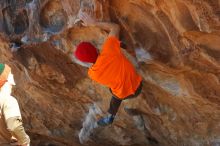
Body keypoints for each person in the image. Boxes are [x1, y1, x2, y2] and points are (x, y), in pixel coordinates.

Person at [74, 11, 142, 126]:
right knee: (117, 88)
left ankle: (111, 116)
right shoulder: (109, 50)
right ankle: (120, 45)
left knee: (115, 93)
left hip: (124, 94)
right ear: (95, 48)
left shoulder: (92, 74)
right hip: (138, 86)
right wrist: (93, 23)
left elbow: (94, 62)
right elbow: (115, 27)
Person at [0, 63, 30, 146]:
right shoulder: (8, 100)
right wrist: (25, 141)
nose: (12, 75)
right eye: (10, 73)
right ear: (5, 78)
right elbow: (14, 126)